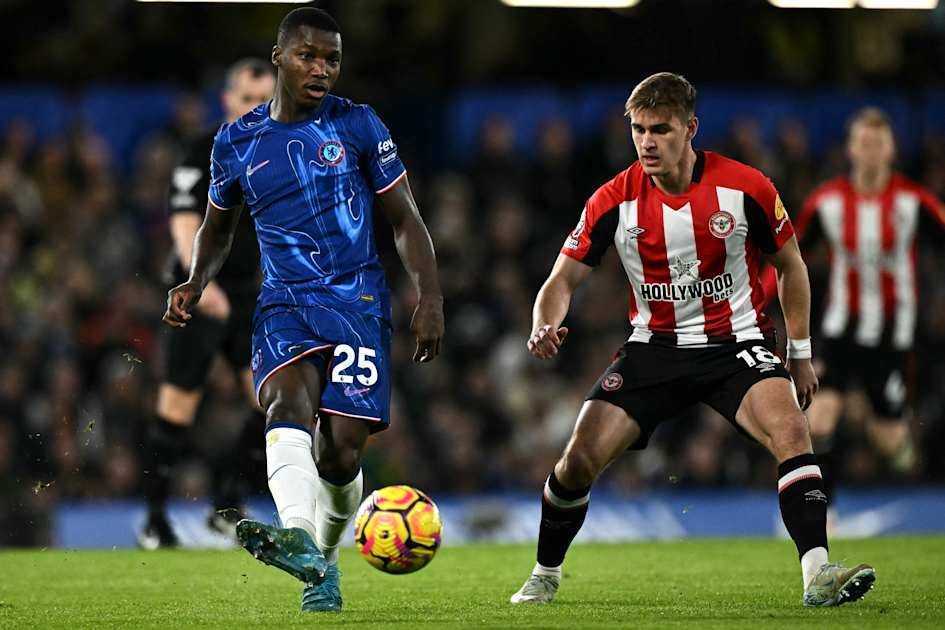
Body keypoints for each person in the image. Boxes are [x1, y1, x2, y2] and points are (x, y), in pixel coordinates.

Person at [508, 73, 874, 608]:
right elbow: (561, 280)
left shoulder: (746, 187)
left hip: (736, 343)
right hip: (653, 347)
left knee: (793, 431)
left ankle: (818, 574)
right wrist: (544, 322)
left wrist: (799, 354)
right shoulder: (613, 200)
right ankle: (545, 573)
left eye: (660, 129)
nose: (647, 142)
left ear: (690, 128)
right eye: (639, 130)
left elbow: (791, 266)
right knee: (578, 460)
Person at [162, 7, 443, 613]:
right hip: (284, 302)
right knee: (283, 405)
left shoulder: (358, 124)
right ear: (279, 59)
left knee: (341, 452)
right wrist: (195, 279)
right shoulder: (236, 141)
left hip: (357, 302)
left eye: (331, 59)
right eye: (308, 56)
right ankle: (297, 536)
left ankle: (324, 559)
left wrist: (431, 295)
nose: (321, 69)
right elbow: (217, 228)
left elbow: (405, 219)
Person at [139, 59, 275, 549]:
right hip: (198, 291)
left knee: (271, 403)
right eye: (248, 99)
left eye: (265, 100)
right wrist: (199, 280)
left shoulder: (281, 151)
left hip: (248, 294)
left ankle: (228, 504)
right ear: (227, 100)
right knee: (177, 408)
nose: (256, 108)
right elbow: (182, 219)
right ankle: (154, 521)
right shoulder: (204, 149)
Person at [792, 107, 945, 507]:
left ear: (891, 150)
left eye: (878, 143)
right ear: (851, 149)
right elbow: (789, 256)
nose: (871, 150)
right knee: (818, 420)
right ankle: (823, 510)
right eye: (864, 142)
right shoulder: (826, 202)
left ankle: (911, 460)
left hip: (893, 333)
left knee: (888, 439)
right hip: (840, 327)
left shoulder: (914, 202)